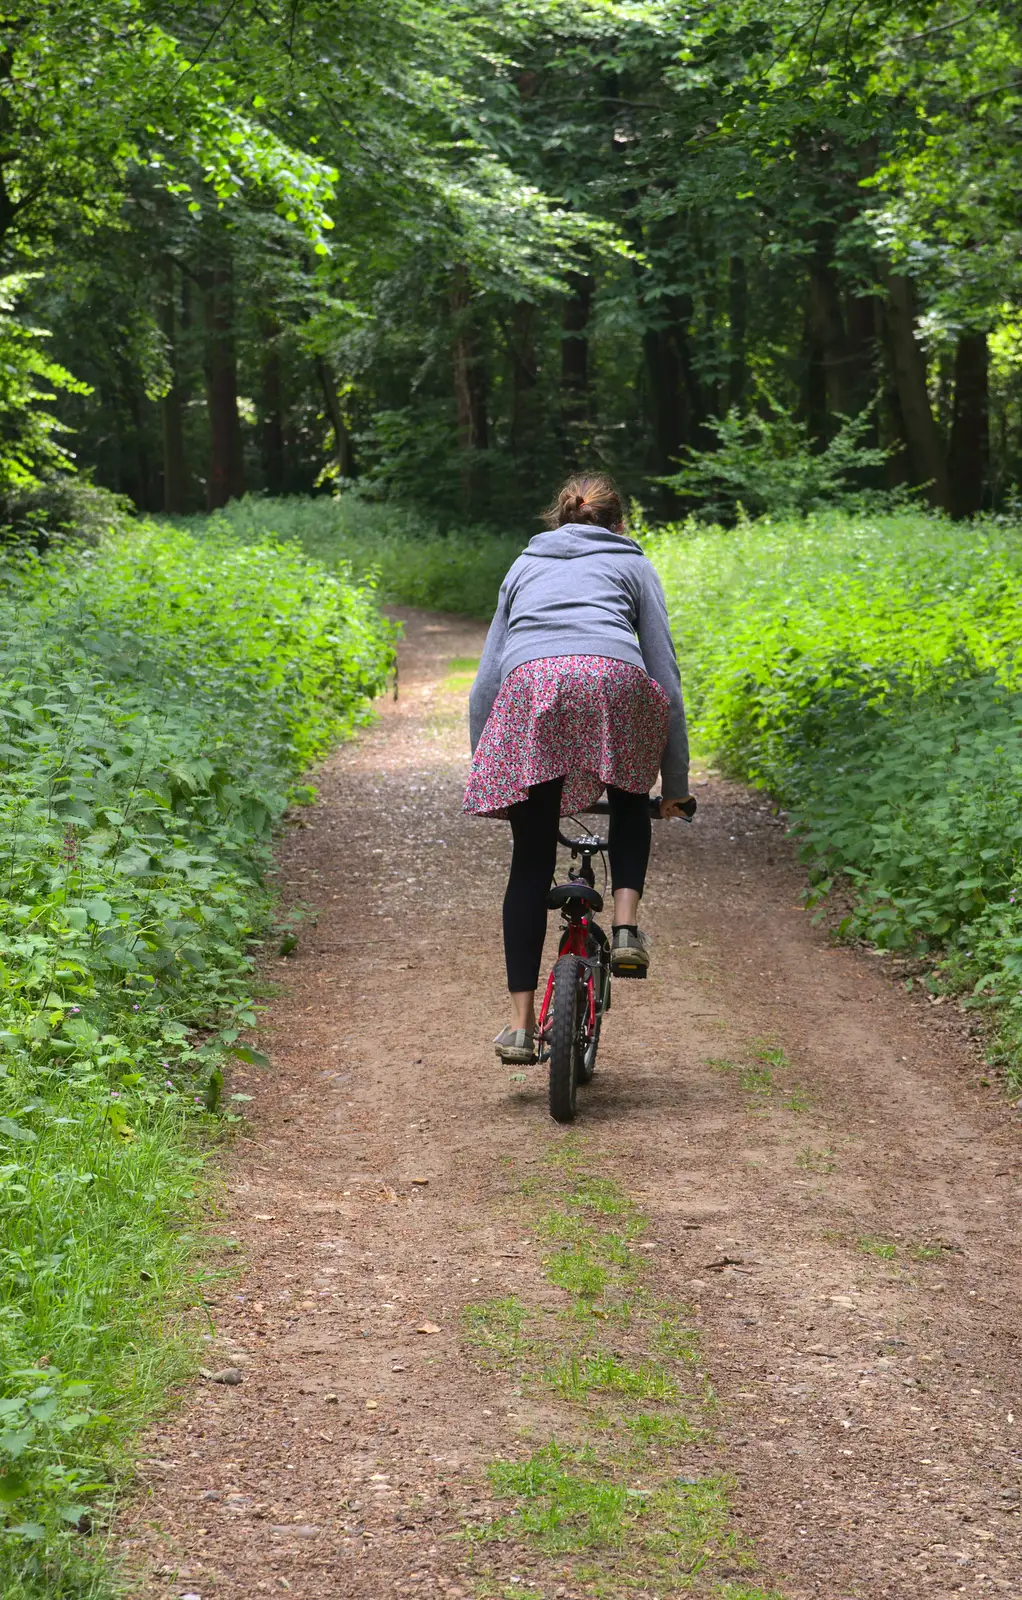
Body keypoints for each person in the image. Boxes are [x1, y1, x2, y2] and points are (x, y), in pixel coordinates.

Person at [464, 473, 691, 1064]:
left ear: (558, 521)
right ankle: (623, 929)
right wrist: (676, 788)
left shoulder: (522, 567)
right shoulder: (634, 564)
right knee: (628, 794)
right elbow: (664, 675)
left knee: (530, 859)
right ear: (620, 525)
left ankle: (518, 1027)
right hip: (614, 680)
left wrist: (491, 770)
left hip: (531, 688)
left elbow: (488, 680)